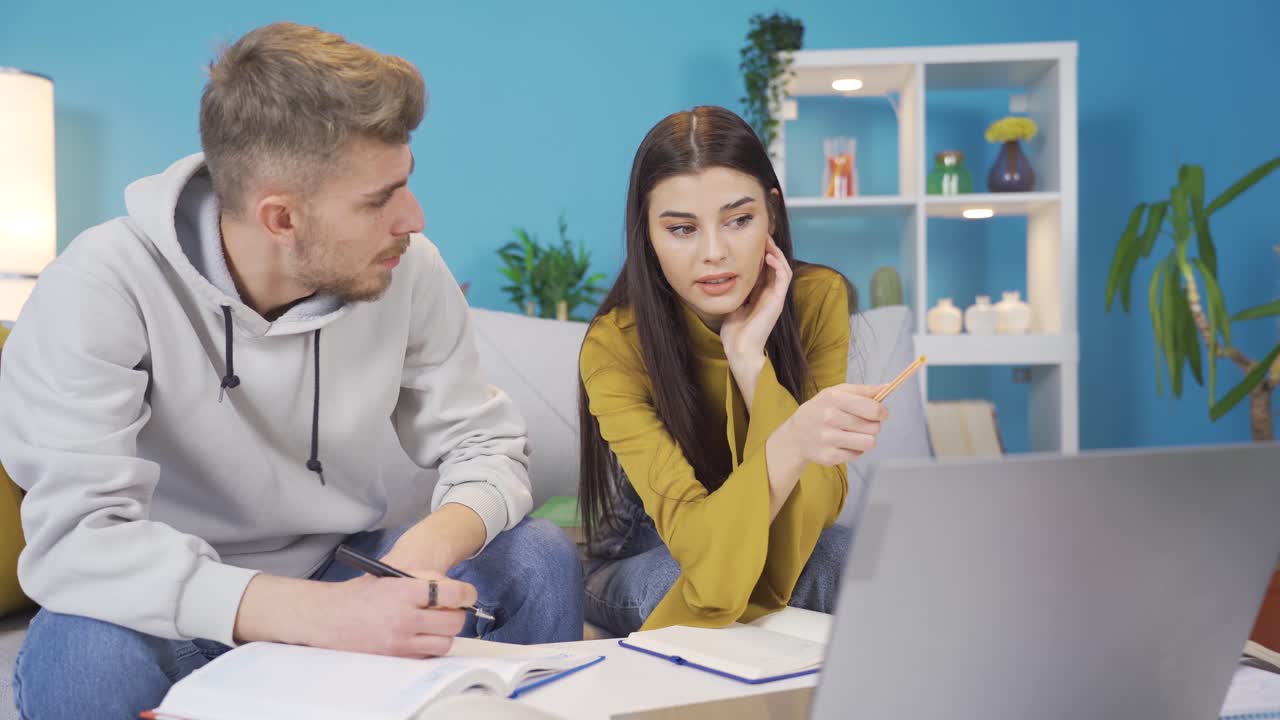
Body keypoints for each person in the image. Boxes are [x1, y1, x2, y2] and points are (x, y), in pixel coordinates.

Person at [0, 22, 583, 719]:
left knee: (539, 559)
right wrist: (322, 616)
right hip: (170, 608)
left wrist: (423, 555)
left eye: (406, 185)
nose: (413, 218)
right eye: (377, 200)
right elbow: (78, 541)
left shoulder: (407, 266)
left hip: (343, 568)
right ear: (280, 218)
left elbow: (483, 444)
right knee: (80, 651)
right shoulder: (98, 285)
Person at [577, 105, 888, 635]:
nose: (715, 254)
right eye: (681, 229)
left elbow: (816, 509)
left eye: (739, 220)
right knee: (687, 585)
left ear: (773, 213)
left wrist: (751, 365)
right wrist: (790, 442)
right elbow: (705, 559)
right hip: (651, 542)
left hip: (773, 526)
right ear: (647, 236)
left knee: (855, 564)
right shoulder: (614, 347)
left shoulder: (817, 299)